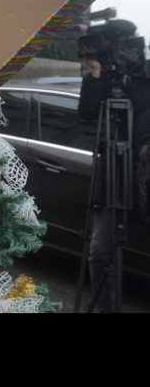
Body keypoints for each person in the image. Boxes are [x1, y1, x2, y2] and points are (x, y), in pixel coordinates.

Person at [79, 46, 150, 312]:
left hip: (144, 178)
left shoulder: (144, 79)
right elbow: (86, 112)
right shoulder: (113, 80)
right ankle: (102, 307)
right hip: (114, 180)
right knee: (99, 252)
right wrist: (96, 72)